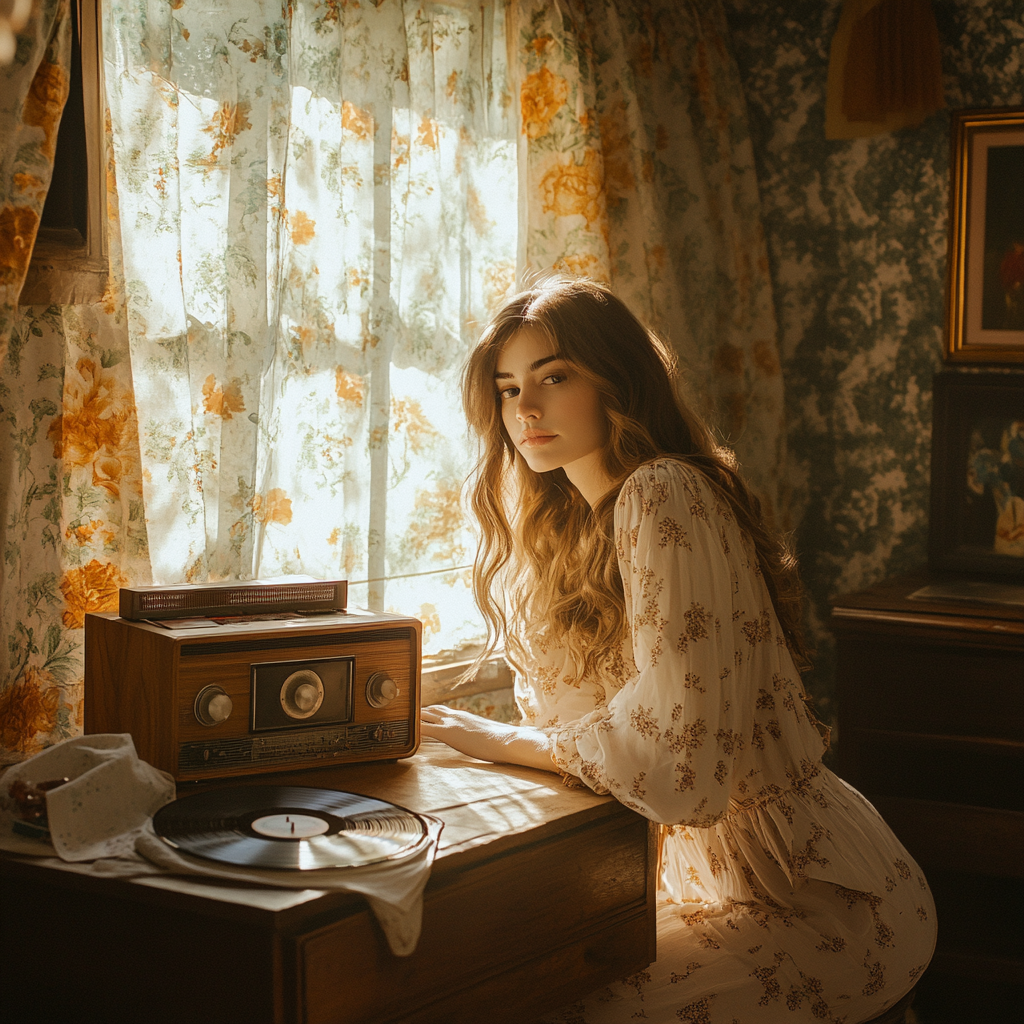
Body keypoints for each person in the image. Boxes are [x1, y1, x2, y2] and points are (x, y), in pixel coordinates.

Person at [419, 278, 936, 1023]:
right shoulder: (573, 527)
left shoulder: (663, 494)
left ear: (616, 379)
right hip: (708, 883)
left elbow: (677, 761)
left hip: (816, 897)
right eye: (507, 390)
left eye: (553, 377)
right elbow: (596, 728)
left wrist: (499, 740)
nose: (524, 410)